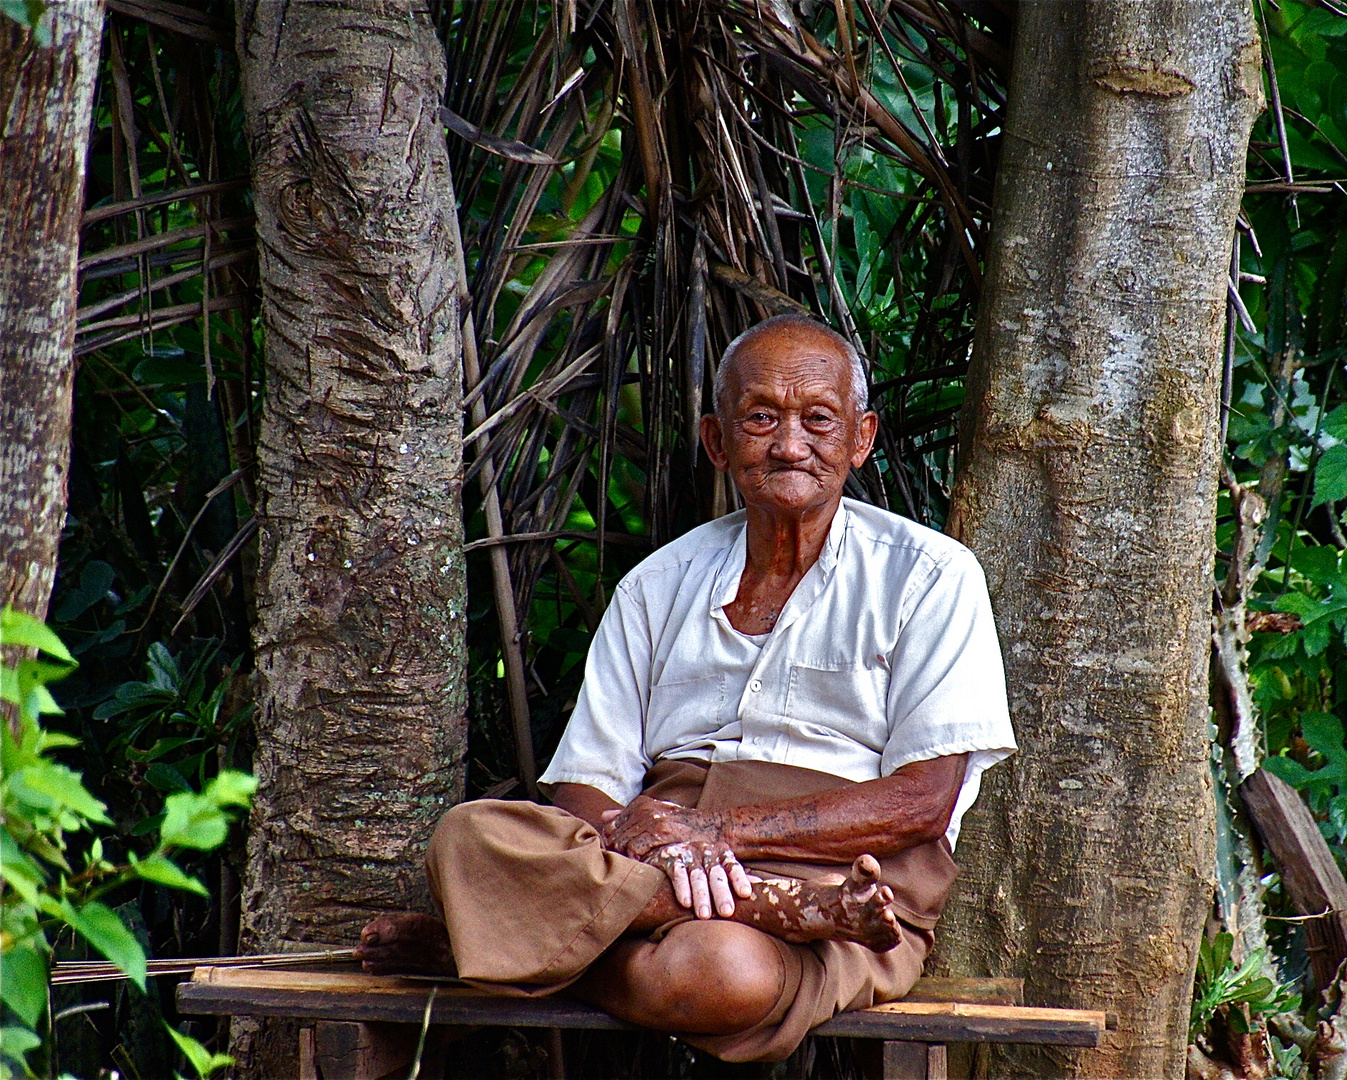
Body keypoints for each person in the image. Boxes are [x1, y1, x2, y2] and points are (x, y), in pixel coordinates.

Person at [357, 314, 1015, 1062]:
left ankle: (492, 951)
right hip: (656, 869)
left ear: (860, 439)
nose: (789, 444)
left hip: (849, 887)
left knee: (719, 974)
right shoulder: (658, 585)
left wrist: (718, 834)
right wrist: (667, 853)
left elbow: (922, 801)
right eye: (761, 417)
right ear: (717, 441)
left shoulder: (929, 575)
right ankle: (781, 912)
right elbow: (584, 787)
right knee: (468, 834)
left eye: (818, 420)